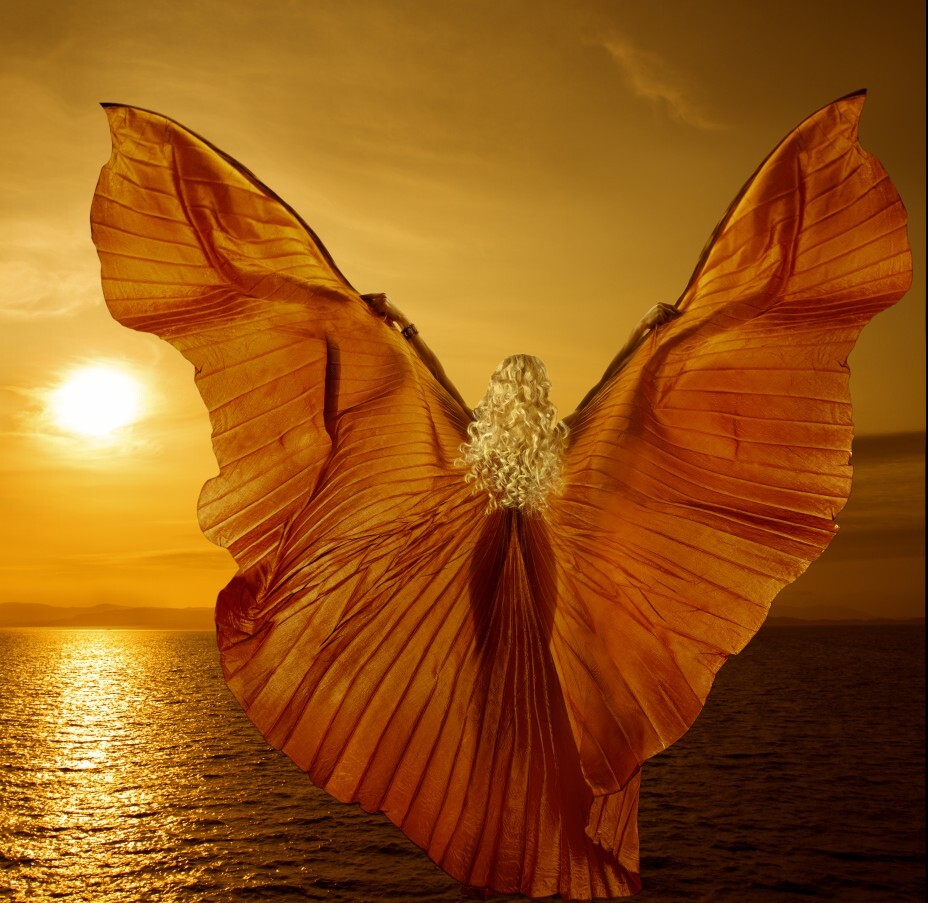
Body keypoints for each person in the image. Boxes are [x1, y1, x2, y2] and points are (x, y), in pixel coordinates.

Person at [362, 292, 680, 512]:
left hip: (487, 547)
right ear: (540, 393)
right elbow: (608, 384)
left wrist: (402, 318)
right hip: (537, 553)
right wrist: (642, 326)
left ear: (497, 389)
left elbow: (435, 372)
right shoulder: (556, 438)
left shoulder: (476, 431)